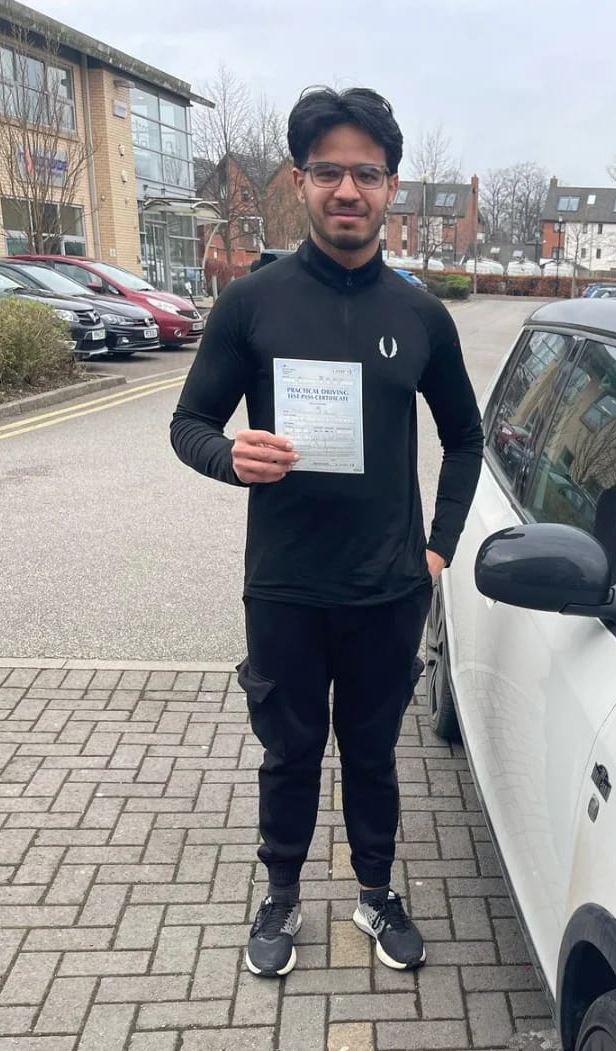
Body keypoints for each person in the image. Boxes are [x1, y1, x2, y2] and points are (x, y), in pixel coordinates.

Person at [169, 86, 483, 978]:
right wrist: (232, 457)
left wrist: (438, 547)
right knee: (290, 752)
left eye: (367, 175)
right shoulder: (252, 303)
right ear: (301, 182)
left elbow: (466, 437)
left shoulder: (420, 315)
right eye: (329, 172)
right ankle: (281, 894)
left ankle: (376, 893)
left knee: (374, 754)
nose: (348, 190)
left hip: (389, 587)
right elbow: (189, 424)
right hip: (286, 586)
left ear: (391, 189)